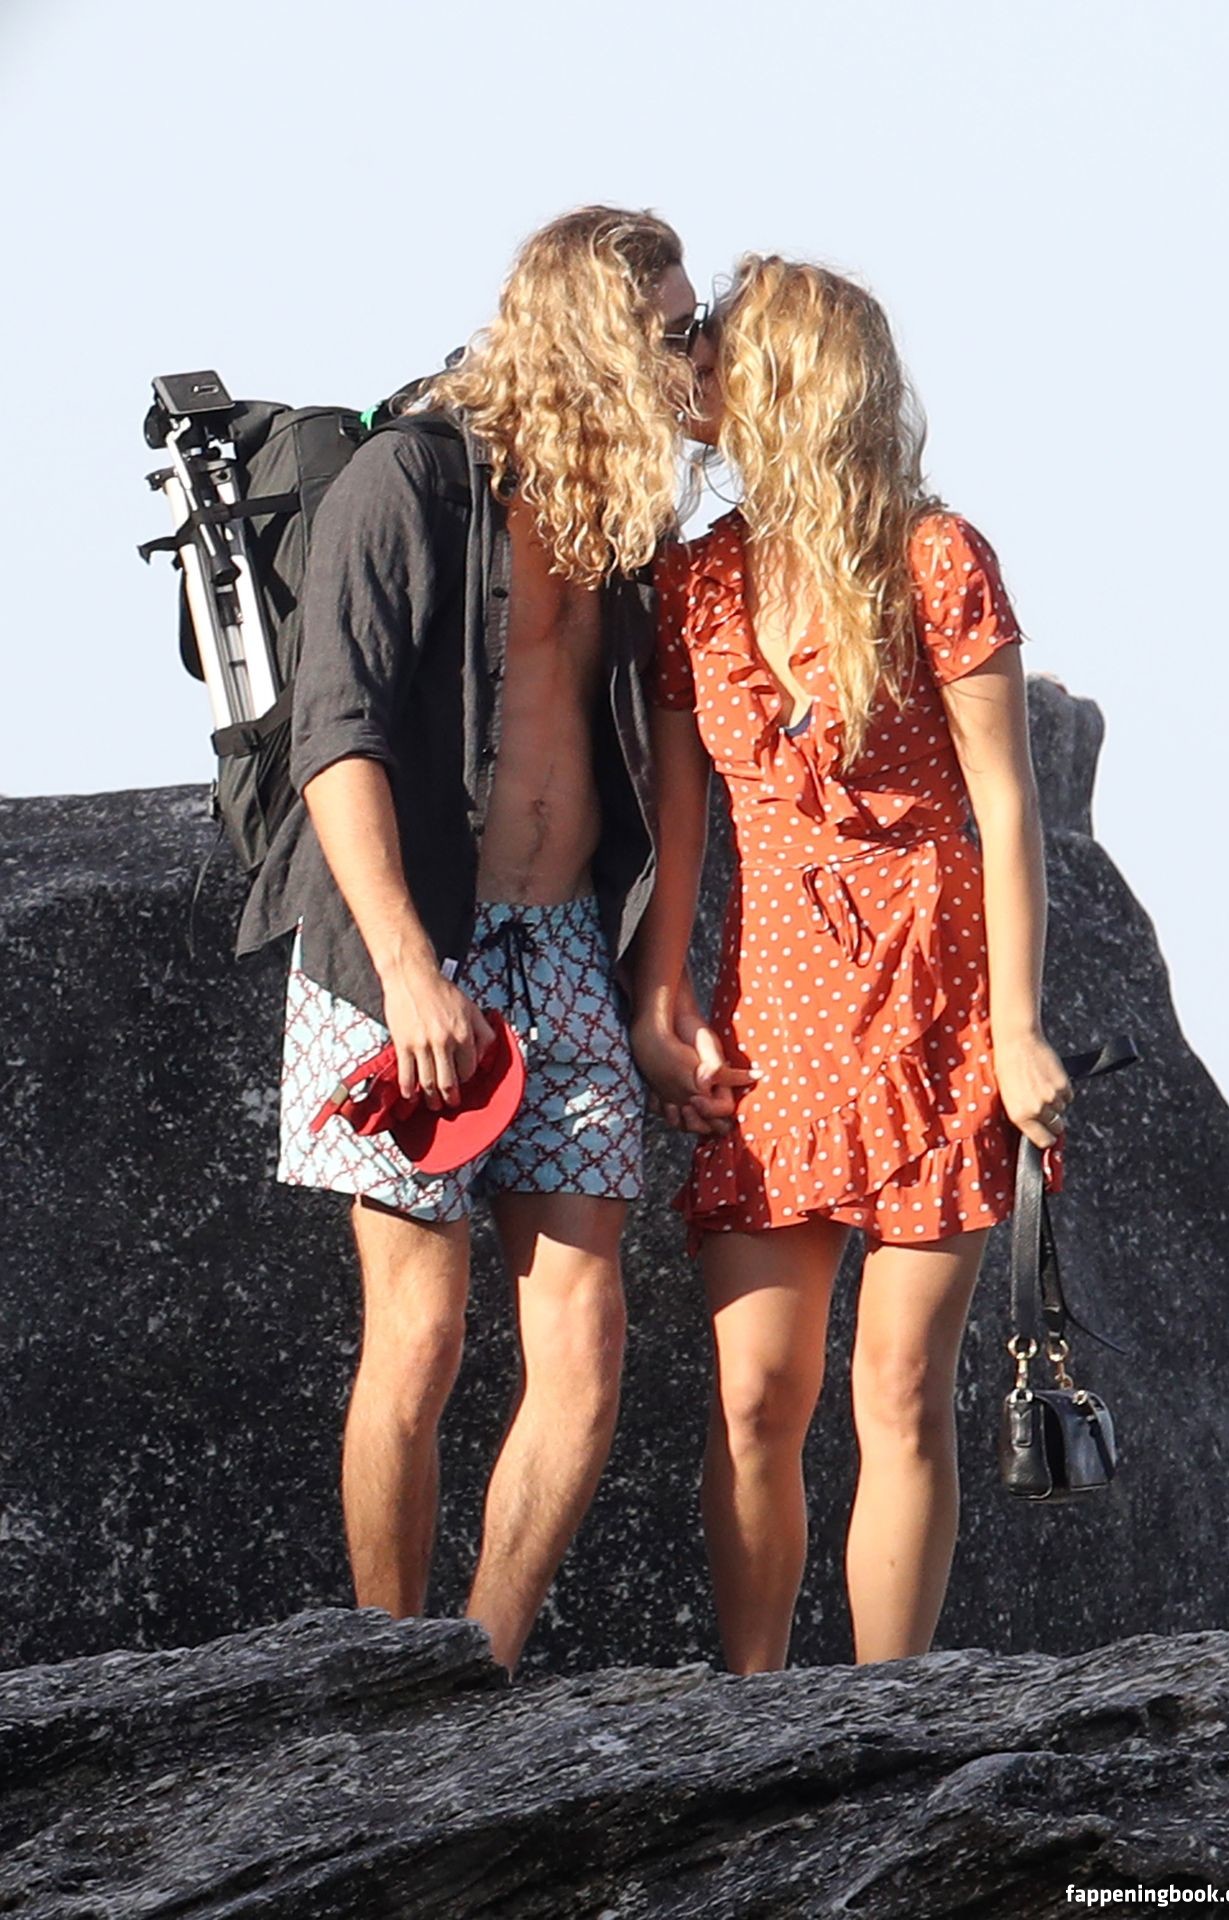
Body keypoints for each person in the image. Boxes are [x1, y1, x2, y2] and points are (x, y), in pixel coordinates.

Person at [236, 206, 712, 1672]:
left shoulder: (621, 522)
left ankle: (483, 1668)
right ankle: (388, 1671)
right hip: (402, 943)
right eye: (673, 331)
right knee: (422, 1328)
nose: (694, 355)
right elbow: (336, 742)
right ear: (594, 337)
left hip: (562, 945)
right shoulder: (409, 480)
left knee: (589, 1336)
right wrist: (405, 974)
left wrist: (657, 981)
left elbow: (666, 759)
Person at [631, 255, 1073, 1674]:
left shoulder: (940, 559)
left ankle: (892, 1722)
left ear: (785, 383)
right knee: (757, 1395)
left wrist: (1019, 1030)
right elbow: (682, 828)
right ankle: (753, 1715)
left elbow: (1008, 808)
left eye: (717, 351)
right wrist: (660, 998)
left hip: (937, 1014)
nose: (692, 369)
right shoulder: (695, 581)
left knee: (899, 1389)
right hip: (778, 1020)